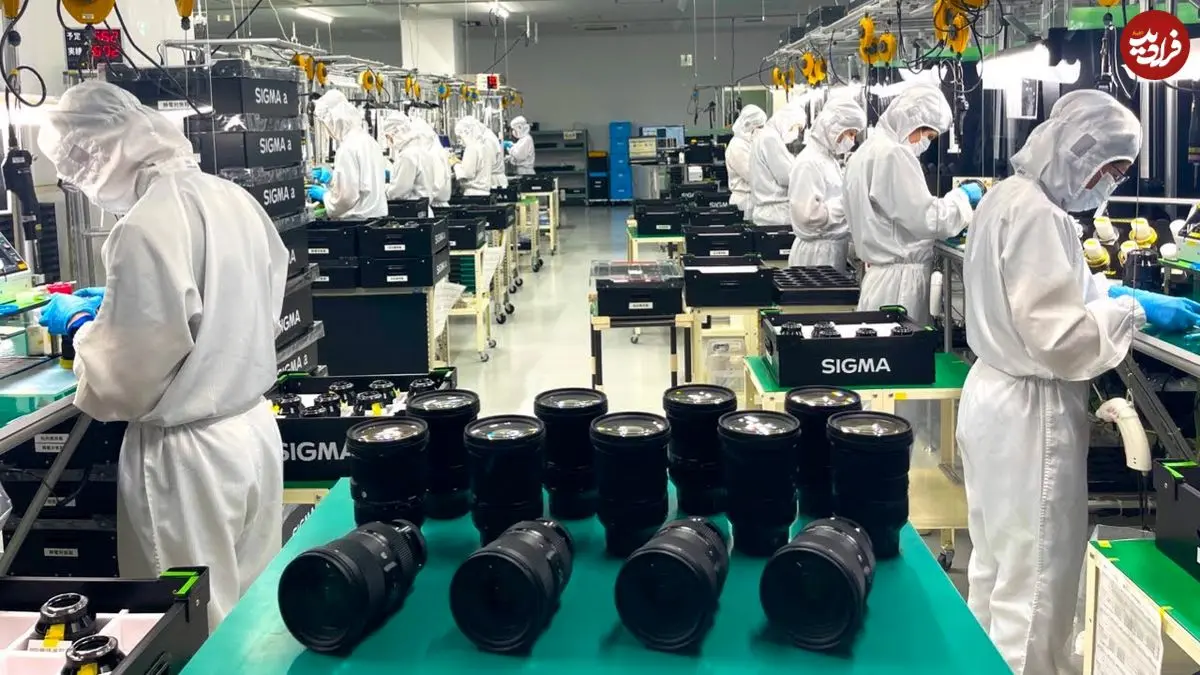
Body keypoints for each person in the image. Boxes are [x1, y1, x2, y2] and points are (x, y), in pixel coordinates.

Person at [956, 89, 1200, 675]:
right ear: (1077, 153)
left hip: (992, 396)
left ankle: (982, 663)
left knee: (995, 564)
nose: (1109, 184)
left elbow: (1054, 290)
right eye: (1108, 170)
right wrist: (1134, 310)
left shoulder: (1009, 198)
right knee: (1037, 576)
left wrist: (1115, 292)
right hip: (1029, 413)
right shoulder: (1041, 215)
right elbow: (1060, 338)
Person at [36, 81, 288, 629]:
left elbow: (125, 379)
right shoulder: (230, 197)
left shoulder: (145, 225)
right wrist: (120, 305)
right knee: (252, 616)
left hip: (187, 457)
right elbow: (248, 303)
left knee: (191, 625)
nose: (81, 183)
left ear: (100, 153)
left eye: (77, 168)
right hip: (252, 430)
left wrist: (82, 327)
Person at [843, 83, 981, 324]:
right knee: (901, 346)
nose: (926, 144)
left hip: (881, 280)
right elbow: (929, 219)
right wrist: (962, 197)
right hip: (900, 286)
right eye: (928, 136)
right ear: (913, 122)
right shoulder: (893, 154)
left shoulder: (865, 152)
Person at [787, 97, 866, 271]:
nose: (852, 141)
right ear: (833, 127)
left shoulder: (828, 160)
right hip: (816, 255)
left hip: (830, 250)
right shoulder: (808, 162)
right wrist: (849, 200)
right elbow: (809, 216)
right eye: (850, 133)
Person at [309, 90, 388, 219]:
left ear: (334, 120)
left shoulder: (347, 148)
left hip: (357, 222)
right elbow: (362, 182)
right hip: (376, 219)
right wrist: (332, 179)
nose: (328, 129)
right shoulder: (369, 141)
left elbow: (346, 199)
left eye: (326, 123)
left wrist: (325, 196)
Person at [749, 101, 806, 227]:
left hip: (769, 213)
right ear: (785, 121)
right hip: (775, 215)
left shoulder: (764, 135)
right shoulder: (770, 138)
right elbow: (787, 177)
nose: (796, 133)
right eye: (795, 127)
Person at [382, 111, 439, 203]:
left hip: (412, 207)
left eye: (388, 137)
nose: (389, 141)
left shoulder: (407, 155)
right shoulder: (420, 149)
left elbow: (398, 192)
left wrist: (384, 189)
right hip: (423, 207)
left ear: (396, 132)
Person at [725, 105, 766, 215]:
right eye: (760, 127)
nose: (762, 131)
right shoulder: (737, 146)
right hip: (744, 201)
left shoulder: (749, 143)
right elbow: (752, 175)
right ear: (750, 126)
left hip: (753, 199)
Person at [407, 115, 453, 205]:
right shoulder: (438, 150)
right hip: (439, 202)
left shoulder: (431, 154)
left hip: (434, 204)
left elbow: (435, 187)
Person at [453, 116, 493, 196]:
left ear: (467, 132)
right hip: (484, 192)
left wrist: (454, 164)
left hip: (473, 193)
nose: (461, 141)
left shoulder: (471, 148)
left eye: (460, 136)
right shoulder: (483, 146)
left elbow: (466, 174)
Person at [477, 120, 509, 190]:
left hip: (495, 180)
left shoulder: (487, 139)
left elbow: (489, 162)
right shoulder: (487, 136)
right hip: (495, 178)